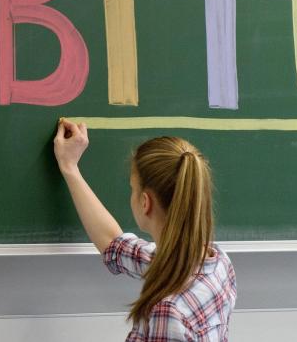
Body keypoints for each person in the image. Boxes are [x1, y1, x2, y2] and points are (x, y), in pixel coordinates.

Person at [53, 118, 237, 341]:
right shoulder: (216, 262)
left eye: (133, 188)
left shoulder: (169, 313)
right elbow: (115, 245)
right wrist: (70, 168)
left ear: (144, 202)